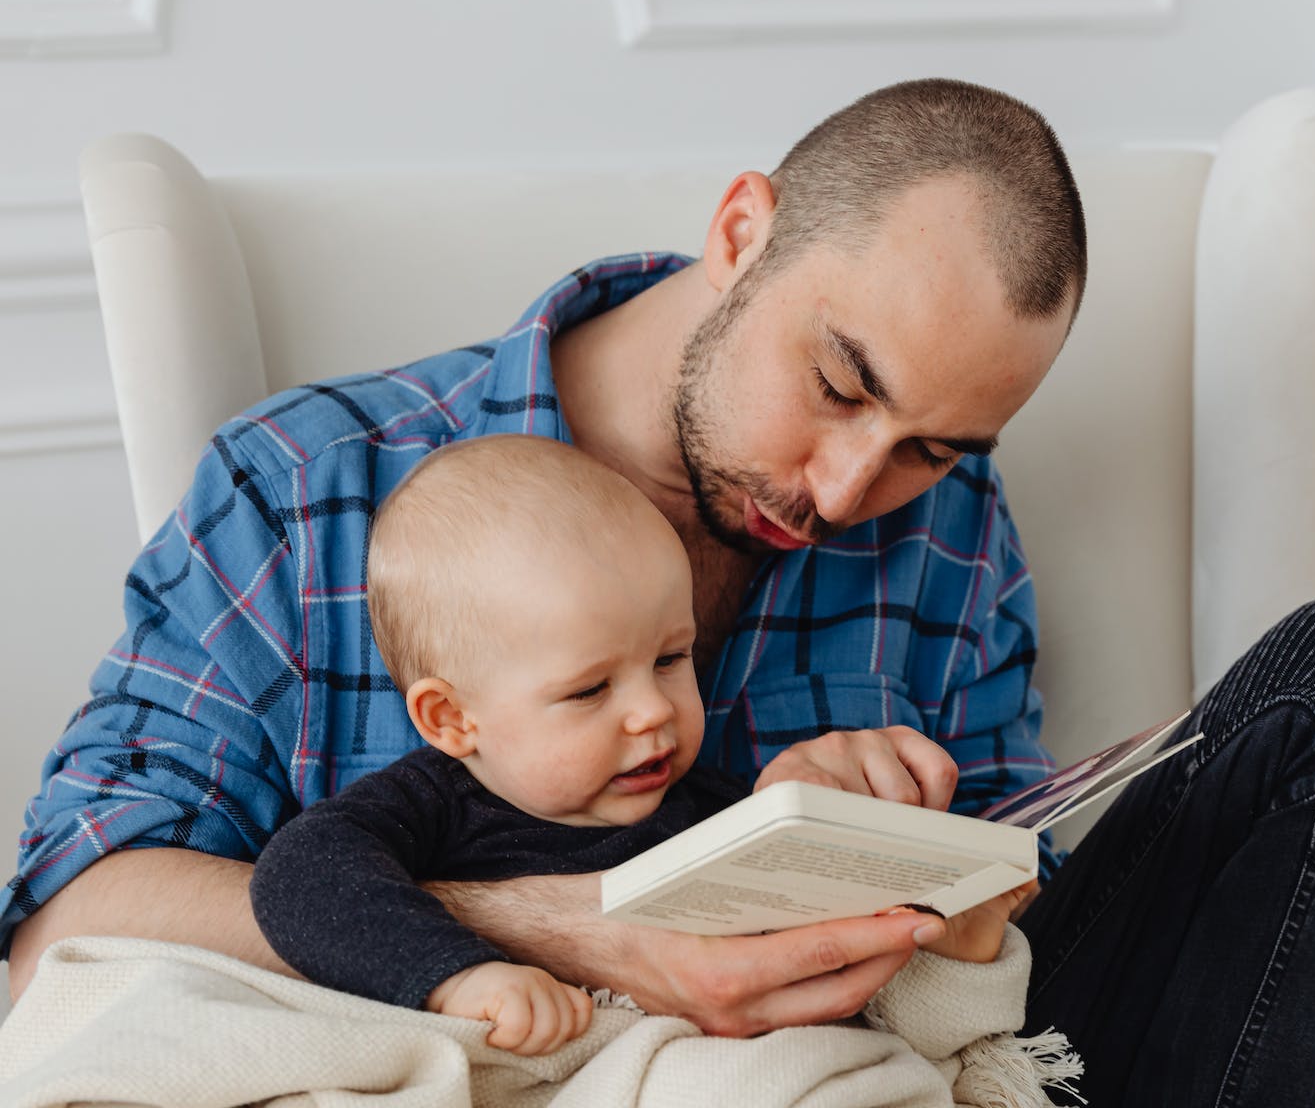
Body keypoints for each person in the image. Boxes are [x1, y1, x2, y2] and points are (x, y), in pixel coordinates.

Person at [6, 77, 1315, 1106]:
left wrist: (934, 853)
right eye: (841, 385)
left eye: (929, 445)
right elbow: (69, 927)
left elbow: (999, 938)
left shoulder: (948, 523)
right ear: (739, 233)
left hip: (885, 1064)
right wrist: (574, 927)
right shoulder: (309, 486)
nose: (846, 492)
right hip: (523, 1070)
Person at [247, 434, 1049, 1093]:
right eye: (591, 688)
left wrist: (954, 940)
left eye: (671, 659)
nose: (654, 712)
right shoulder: (429, 805)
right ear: (452, 717)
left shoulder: (716, 810)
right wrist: (458, 977)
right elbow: (297, 879)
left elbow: (860, 995)